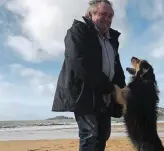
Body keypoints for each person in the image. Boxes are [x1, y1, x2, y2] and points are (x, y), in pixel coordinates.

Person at [51, 0, 126, 151]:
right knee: (90, 135)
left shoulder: (111, 40)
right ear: (90, 14)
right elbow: (80, 63)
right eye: (103, 14)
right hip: (84, 93)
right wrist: (109, 86)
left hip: (105, 96)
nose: (108, 19)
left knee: (103, 135)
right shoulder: (78, 31)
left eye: (110, 16)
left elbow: (116, 69)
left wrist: (123, 90)